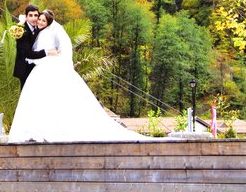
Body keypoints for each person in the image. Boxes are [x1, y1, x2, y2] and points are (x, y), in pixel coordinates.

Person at [9, 10, 145, 143]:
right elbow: (29, 50)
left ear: (49, 23)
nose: (39, 21)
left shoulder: (47, 32)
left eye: (42, 20)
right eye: (38, 18)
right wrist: (22, 24)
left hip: (47, 66)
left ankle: (49, 129)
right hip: (37, 67)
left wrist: (50, 53)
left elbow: (47, 50)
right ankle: (37, 129)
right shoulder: (35, 30)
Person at [13, 4, 47, 85]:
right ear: (26, 17)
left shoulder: (39, 27)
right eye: (30, 15)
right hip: (24, 70)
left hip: (36, 68)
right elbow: (28, 54)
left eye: (36, 15)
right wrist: (47, 52)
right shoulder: (20, 30)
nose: (33, 18)